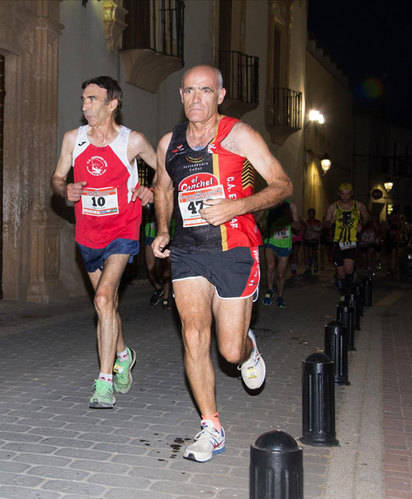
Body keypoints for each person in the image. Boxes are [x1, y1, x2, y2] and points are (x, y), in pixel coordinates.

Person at [151, 65, 292, 462]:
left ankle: (250, 349)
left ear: (221, 95)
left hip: (235, 249)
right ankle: (211, 427)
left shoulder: (239, 135)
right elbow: (163, 188)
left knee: (229, 352)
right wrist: (163, 230)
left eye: (206, 91)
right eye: (190, 91)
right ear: (181, 95)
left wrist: (237, 205)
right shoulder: (169, 144)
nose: (197, 99)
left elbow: (283, 185)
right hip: (188, 251)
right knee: (194, 335)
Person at [51, 76, 156, 409]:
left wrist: (150, 191)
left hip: (123, 230)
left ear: (113, 104)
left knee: (102, 297)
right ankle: (123, 354)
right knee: (105, 305)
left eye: (92, 99)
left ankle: (104, 381)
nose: (85, 105)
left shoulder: (133, 141)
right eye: (83, 99)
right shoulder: (73, 139)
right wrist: (62, 188)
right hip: (88, 234)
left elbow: (165, 171)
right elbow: (57, 177)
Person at [324, 182, 369, 297]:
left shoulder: (358, 206)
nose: (345, 197)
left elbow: (367, 217)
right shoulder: (333, 207)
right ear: (339, 194)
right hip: (337, 242)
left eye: (348, 194)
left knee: (348, 269)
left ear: (351, 194)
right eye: (343, 194)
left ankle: (347, 294)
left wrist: (362, 224)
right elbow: (325, 224)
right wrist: (331, 222)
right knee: (341, 273)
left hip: (352, 241)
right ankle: (343, 288)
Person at [261, 201, 300, 309]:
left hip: (284, 243)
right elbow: (261, 222)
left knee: (280, 274)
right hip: (271, 240)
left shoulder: (291, 206)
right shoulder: (269, 204)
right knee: (270, 267)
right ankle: (269, 291)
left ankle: (280, 296)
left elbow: (297, 226)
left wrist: (289, 220)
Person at [303, 208, 323, 274]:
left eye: (312, 213)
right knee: (307, 254)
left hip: (314, 240)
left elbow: (320, 230)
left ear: (314, 214)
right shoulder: (306, 222)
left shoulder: (318, 222)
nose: (311, 215)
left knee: (314, 254)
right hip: (307, 239)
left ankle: (315, 266)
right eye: (310, 214)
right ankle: (308, 267)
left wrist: (312, 228)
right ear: (308, 214)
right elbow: (304, 231)